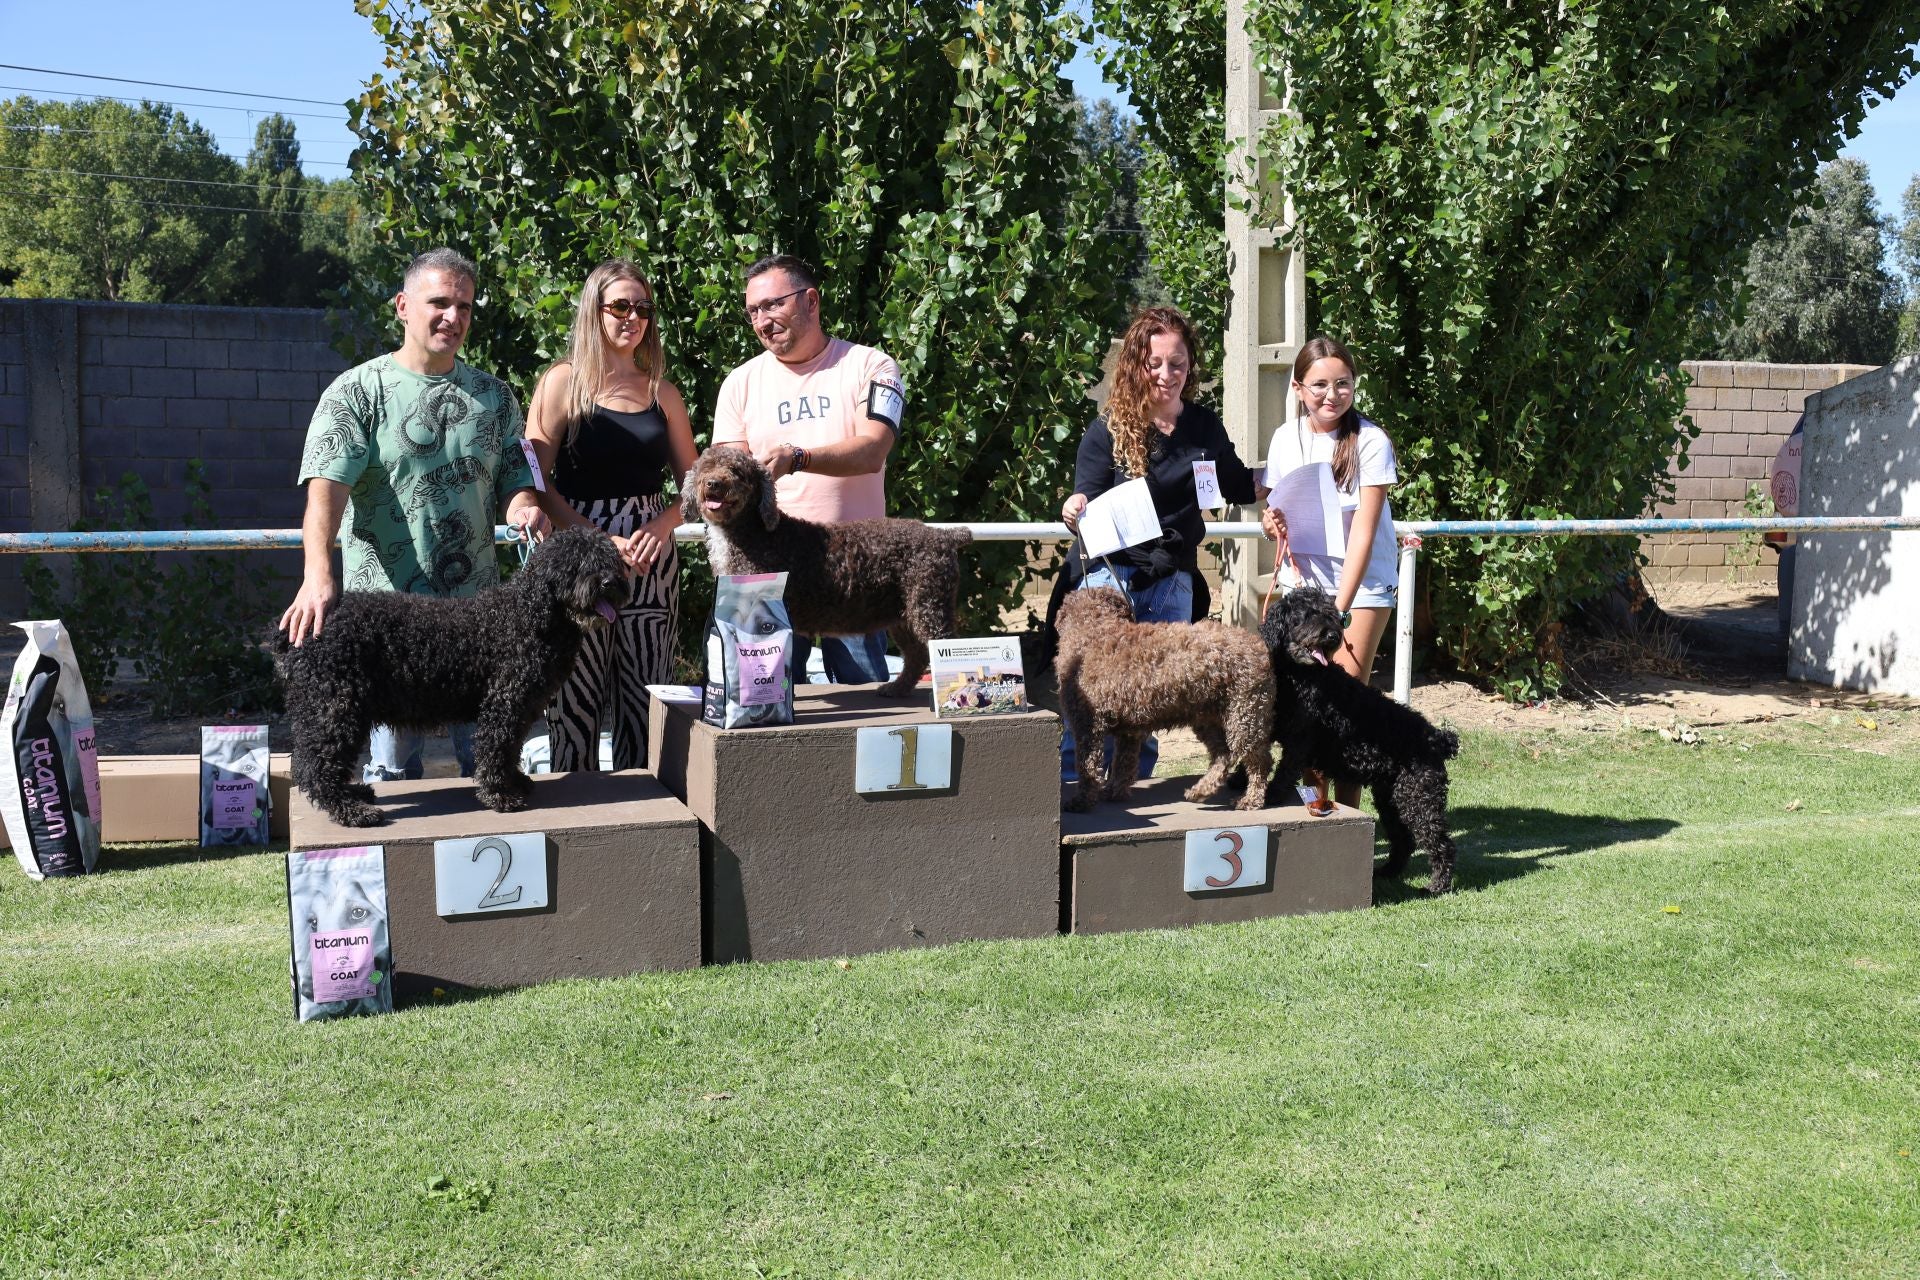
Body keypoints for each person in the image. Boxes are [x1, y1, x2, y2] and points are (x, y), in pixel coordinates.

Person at [278, 247, 550, 781]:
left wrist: (525, 509)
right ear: (403, 306)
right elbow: (323, 497)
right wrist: (316, 576)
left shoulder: (494, 397)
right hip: (389, 630)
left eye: (465, 307)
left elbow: (517, 484)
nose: (454, 317)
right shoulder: (356, 394)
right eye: (439, 303)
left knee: (491, 770)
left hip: (480, 627)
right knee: (395, 779)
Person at [1061, 306, 1259, 780]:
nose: (1166, 374)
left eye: (1178, 363)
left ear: (1190, 367)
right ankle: (1075, 798)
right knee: (1085, 705)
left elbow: (1238, 483)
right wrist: (1073, 507)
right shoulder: (1108, 427)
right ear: (1136, 364)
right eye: (1155, 363)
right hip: (1107, 583)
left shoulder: (1205, 427)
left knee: (1146, 707)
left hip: (1172, 579)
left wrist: (1298, 475)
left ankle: (1134, 800)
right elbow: (1084, 497)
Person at [522, 260, 697, 772]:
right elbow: (535, 480)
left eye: (642, 308)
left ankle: (648, 818)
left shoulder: (662, 392)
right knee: (573, 700)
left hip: (649, 561)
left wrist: (663, 525)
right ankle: (580, 823)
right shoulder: (562, 382)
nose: (633, 317)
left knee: (646, 699)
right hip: (577, 557)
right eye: (620, 306)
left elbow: (695, 486)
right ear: (593, 311)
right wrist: (596, 539)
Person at [710, 254, 906, 685]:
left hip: (854, 566)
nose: (762, 320)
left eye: (772, 305)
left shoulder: (872, 366)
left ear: (811, 300)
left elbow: (873, 450)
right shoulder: (739, 384)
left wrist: (798, 458)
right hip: (766, 575)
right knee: (762, 710)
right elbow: (729, 487)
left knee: (867, 705)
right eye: (754, 311)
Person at [1258, 335, 1398, 808]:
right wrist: (1269, 522)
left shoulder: (1372, 441)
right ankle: (1311, 816)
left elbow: (1364, 531)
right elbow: (1276, 514)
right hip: (1305, 587)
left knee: (1340, 713)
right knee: (1303, 715)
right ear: (1299, 388)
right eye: (1319, 385)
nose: (1331, 394)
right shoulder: (1285, 438)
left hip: (1359, 591)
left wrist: (1336, 611)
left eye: (1342, 384)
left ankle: (1348, 828)